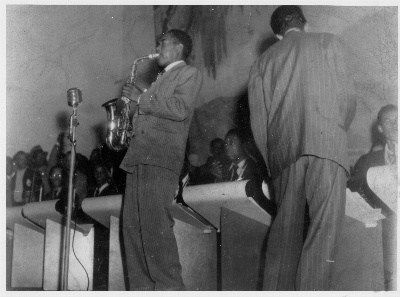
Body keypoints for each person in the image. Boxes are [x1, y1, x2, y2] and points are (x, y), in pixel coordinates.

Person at [248, 5, 356, 290]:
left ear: (278, 35)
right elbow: (347, 100)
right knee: (324, 234)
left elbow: (260, 124)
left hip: (285, 156)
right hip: (328, 146)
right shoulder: (329, 42)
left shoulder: (263, 62)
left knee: (283, 239)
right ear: (305, 25)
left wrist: (275, 165)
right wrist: (331, 132)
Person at [119, 29, 203, 290]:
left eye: (162, 43)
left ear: (178, 47)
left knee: (155, 229)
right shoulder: (159, 79)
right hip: (139, 158)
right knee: (133, 230)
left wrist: (140, 98)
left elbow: (179, 109)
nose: (157, 47)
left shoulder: (188, 73)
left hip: (159, 158)